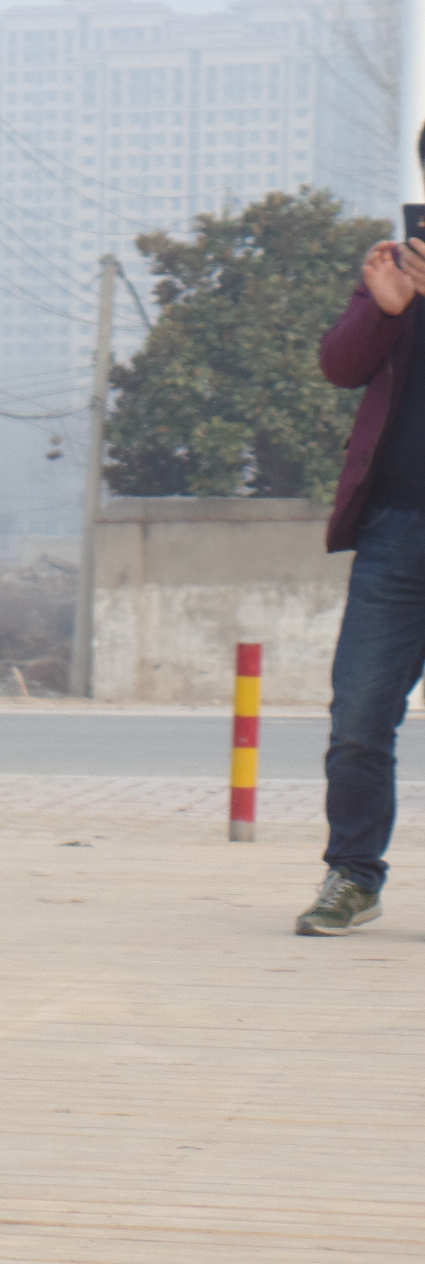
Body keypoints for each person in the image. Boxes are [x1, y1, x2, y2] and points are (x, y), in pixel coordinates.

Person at [299, 227, 425, 934]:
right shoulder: (398, 266)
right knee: (358, 721)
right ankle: (352, 875)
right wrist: (384, 306)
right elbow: (340, 366)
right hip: (396, 531)